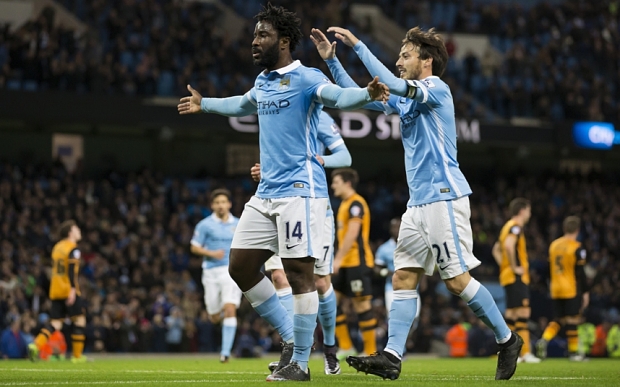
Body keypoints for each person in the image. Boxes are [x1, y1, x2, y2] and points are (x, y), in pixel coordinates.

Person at [177, 4, 389, 382]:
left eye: (262, 35)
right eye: (254, 35)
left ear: (284, 41)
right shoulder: (263, 82)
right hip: (265, 194)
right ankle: (291, 339)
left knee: (299, 274)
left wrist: (366, 95)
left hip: (298, 193)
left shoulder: (306, 78)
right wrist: (204, 103)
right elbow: (241, 104)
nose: (254, 41)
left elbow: (339, 98)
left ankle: (301, 364)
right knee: (240, 265)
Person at [309, 26, 522, 380]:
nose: (398, 60)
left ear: (426, 61)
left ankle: (508, 339)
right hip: (418, 203)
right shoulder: (408, 99)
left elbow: (389, 82)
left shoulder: (437, 89)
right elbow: (361, 94)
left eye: (404, 55)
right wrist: (332, 62)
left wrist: (360, 45)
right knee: (404, 275)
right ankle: (393, 356)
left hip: (443, 197)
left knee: (456, 281)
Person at [254, 110, 350, 375]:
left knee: (320, 281)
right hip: (277, 201)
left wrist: (317, 159)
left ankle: (329, 347)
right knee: (279, 277)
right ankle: (295, 349)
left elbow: (345, 156)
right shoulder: (274, 111)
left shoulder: (317, 115)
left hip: (312, 203)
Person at [329, 168, 377, 359]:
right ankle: (346, 346)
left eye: (336, 182)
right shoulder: (344, 204)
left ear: (347, 183)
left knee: (362, 306)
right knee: (331, 303)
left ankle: (371, 351)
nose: (333, 186)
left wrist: (338, 258)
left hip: (357, 262)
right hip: (344, 264)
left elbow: (353, 233)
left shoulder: (356, 203)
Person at [190, 188, 241, 363]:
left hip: (231, 271)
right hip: (211, 271)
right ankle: (216, 315)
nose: (221, 205)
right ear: (212, 205)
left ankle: (225, 352)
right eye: (217, 202)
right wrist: (211, 253)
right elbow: (194, 246)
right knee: (213, 315)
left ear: (229, 204)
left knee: (230, 308)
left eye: (223, 202)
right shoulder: (205, 225)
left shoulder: (239, 223)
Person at [28, 220, 87, 363]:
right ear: (70, 232)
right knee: (79, 320)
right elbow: (72, 270)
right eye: (76, 229)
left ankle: (36, 344)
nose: (79, 230)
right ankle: (77, 357)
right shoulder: (73, 249)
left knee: (56, 323)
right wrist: (73, 289)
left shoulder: (57, 247)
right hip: (68, 289)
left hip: (55, 290)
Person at [535, 216, 590, 361]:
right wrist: (585, 292)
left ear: (564, 229)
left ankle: (544, 339)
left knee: (559, 319)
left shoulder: (553, 245)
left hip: (555, 288)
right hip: (570, 288)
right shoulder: (577, 247)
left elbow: (548, 268)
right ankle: (573, 353)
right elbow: (580, 273)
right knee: (573, 320)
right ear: (577, 230)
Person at [493, 198, 540, 363]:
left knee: (512, 314)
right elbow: (507, 246)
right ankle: (525, 353)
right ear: (522, 211)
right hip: (516, 276)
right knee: (523, 312)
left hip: (507, 277)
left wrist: (504, 266)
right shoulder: (515, 226)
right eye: (529, 210)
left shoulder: (506, 227)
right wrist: (513, 267)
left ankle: (510, 352)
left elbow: (496, 250)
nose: (530, 214)